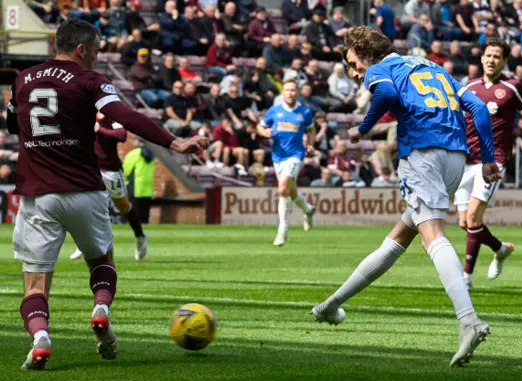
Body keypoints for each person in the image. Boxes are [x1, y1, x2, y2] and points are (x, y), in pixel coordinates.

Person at [6, 19, 208, 370]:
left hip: (38, 196)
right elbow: (125, 115)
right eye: (97, 51)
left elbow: (11, 124)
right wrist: (176, 142)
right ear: (82, 49)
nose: (98, 58)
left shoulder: (23, 79)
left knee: (35, 283)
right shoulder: (90, 80)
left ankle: (40, 339)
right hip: (85, 190)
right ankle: (100, 310)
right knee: (102, 261)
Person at [311, 26, 500, 367]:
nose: (355, 72)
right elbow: (481, 111)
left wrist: (361, 129)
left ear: (366, 52)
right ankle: (331, 304)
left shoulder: (382, 69)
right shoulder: (435, 68)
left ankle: (468, 320)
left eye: (355, 63)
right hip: (455, 159)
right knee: (396, 240)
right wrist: (487, 159)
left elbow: (384, 96)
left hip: (422, 155)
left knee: (434, 238)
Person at [453, 38, 522, 288]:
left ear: (503, 61)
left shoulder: (513, 87)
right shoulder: (468, 87)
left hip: (493, 160)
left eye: (496, 56)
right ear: (481, 58)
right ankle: (501, 248)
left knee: (473, 217)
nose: (491, 60)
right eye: (488, 55)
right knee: (464, 222)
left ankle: (466, 278)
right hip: (465, 158)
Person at [69, 112, 148, 261]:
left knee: (123, 207)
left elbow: (122, 135)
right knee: (86, 205)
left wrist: (100, 130)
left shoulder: (112, 116)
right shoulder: (85, 114)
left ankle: (140, 237)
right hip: (92, 169)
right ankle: (85, 244)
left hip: (111, 170)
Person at [257, 79, 316, 247]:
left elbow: (311, 129)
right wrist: (265, 132)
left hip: (295, 155)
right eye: (287, 90)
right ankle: (308, 209)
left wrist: (311, 144)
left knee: (283, 187)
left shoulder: (304, 112)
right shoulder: (274, 111)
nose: (290, 93)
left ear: (297, 93)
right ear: (283, 93)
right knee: (290, 191)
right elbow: (259, 127)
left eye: (293, 90)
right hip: (278, 157)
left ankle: (282, 229)